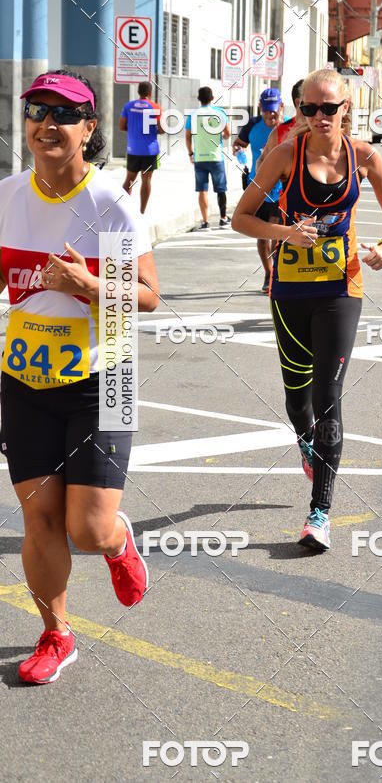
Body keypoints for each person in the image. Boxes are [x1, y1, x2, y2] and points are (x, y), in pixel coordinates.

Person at [1, 71, 159, 684]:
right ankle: (55, 633)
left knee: (86, 529)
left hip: (104, 378)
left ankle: (117, 543)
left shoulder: (108, 206)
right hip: (25, 382)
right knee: (39, 522)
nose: (47, 124)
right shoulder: (10, 197)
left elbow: (145, 297)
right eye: (37, 111)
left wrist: (90, 287)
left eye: (64, 115)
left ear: (89, 130)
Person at [232, 69, 382, 550]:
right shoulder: (285, 155)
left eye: (329, 108)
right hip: (290, 290)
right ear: (300, 110)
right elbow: (240, 218)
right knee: (297, 399)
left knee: (329, 394)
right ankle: (307, 442)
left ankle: (319, 512)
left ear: (347, 107)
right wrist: (285, 233)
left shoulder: (365, 155)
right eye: (309, 109)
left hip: (341, 288)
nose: (319, 117)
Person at [232, 89, 284, 292]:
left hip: (282, 189)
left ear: (281, 107)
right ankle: (268, 272)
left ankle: (277, 272)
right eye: (267, 111)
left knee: (277, 233)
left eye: (274, 111)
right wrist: (238, 150)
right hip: (258, 186)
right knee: (262, 234)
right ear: (261, 108)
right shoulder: (252, 125)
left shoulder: (290, 125)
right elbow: (239, 143)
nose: (270, 116)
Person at [184, 86, 231, 230]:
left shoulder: (192, 115)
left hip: (200, 158)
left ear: (199, 99)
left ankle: (205, 222)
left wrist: (191, 153)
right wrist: (220, 136)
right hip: (216, 157)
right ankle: (223, 219)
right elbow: (228, 133)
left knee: (202, 190)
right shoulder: (219, 113)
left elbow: (188, 137)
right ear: (212, 98)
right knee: (221, 189)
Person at [120, 81, 164, 214]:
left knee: (129, 180)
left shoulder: (128, 106)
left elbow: (122, 126)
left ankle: (123, 210)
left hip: (133, 149)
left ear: (138, 92)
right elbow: (161, 129)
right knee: (146, 180)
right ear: (150, 93)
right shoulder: (155, 107)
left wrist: (134, 130)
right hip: (149, 150)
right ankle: (142, 212)